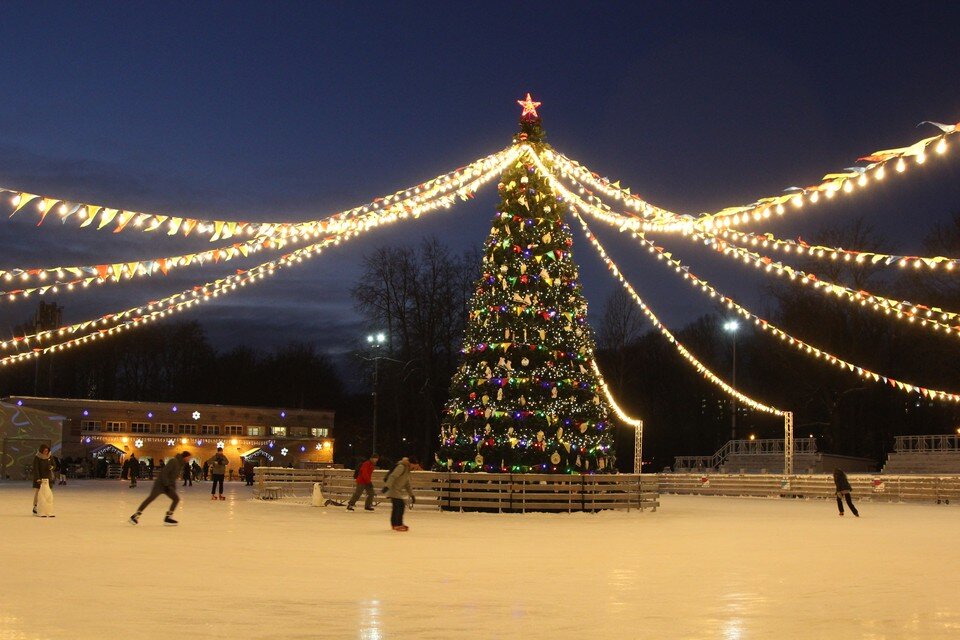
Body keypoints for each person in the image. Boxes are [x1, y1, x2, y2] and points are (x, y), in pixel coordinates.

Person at [130, 452, 192, 526]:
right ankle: (135, 516)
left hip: (168, 485)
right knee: (150, 498)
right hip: (160, 484)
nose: (189, 459)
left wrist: (172, 487)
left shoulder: (181, 464)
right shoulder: (174, 461)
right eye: (189, 457)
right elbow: (164, 473)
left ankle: (168, 518)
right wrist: (166, 485)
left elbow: (173, 477)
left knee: (176, 499)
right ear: (185, 457)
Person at [383, 456, 415, 532]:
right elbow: (393, 476)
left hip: (396, 491)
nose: (415, 468)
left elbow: (407, 484)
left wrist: (412, 495)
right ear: (411, 463)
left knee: (397, 507)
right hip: (393, 489)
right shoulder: (401, 467)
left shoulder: (407, 470)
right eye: (415, 465)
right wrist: (387, 486)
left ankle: (395, 524)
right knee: (400, 506)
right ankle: (398, 524)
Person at [31, 444, 55, 517]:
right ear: (41, 450)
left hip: (48, 478)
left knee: (48, 493)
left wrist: (52, 467)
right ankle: (35, 506)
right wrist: (38, 478)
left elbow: (54, 465)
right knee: (38, 492)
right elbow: (36, 469)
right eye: (45, 451)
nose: (46, 452)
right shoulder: (37, 458)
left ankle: (46, 507)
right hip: (40, 478)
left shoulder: (50, 457)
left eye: (47, 451)